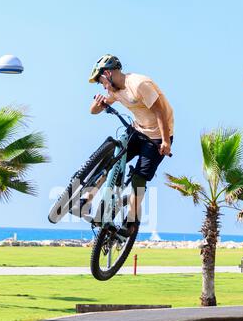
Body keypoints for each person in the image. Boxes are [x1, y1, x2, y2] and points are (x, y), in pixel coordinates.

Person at [75, 54, 174, 237]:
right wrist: (99, 103)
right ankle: (86, 200)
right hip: (137, 131)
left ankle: (130, 221)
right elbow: (93, 111)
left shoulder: (139, 84)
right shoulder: (114, 91)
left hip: (158, 137)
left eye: (101, 80)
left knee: (139, 178)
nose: (102, 85)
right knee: (111, 162)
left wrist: (166, 141)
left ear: (108, 73)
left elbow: (160, 111)